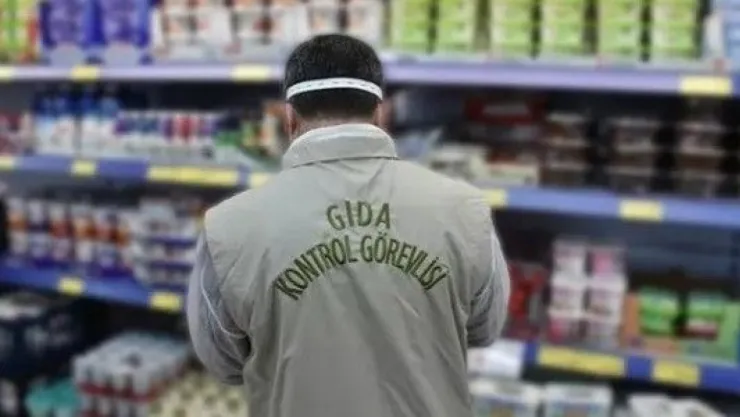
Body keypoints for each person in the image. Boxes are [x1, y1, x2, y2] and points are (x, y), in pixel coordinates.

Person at [186, 33, 510, 417]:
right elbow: (483, 328)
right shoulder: (465, 211)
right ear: (380, 114)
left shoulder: (228, 229)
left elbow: (223, 361)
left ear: (289, 118)